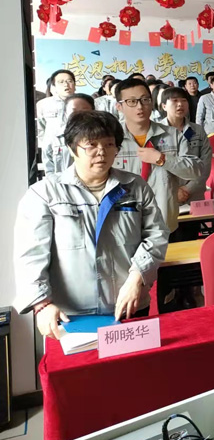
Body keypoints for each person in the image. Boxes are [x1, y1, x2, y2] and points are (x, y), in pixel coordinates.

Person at [14, 111, 169, 334]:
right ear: (72, 148)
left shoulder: (135, 187)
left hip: (129, 305)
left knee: (135, 358)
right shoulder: (45, 194)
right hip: (70, 314)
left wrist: (137, 278)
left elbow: (156, 235)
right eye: (91, 145)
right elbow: (30, 255)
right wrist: (42, 304)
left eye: (109, 144)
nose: (101, 152)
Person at [112, 78, 202, 231]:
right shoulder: (111, 139)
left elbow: (195, 170)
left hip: (163, 222)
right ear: (119, 107)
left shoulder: (173, 135)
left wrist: (162, 159)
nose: (140, 106)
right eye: (132, 101)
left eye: (145, 100)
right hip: (124, 224)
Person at [158, 87, 213, 204]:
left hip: (194, 195)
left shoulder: (197, 131)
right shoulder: (157, 132)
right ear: (164, 106)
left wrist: (188, 189)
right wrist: (174, 191)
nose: (180, 104)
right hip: (165, 196)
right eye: (174, 100)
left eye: (183, 100)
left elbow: (205, 164)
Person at [43, 93, 95, 174]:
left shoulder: (102, 136)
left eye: (84, 111)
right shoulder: (55, 137)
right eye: (74, 111)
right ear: (65, 113)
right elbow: (49, 169)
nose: (79, 114)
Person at [37, 69, 76, 145]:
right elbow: (39, 129)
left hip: (78, 148)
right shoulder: (43, 104)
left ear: (75, 85)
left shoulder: (84, 102)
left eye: (69, 81)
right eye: (61, 82)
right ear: (54, 87)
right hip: (53, 148)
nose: (66, 84)